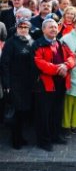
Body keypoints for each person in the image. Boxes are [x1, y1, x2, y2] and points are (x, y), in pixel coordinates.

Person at [33, 19, 76, 151]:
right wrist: (59, 68)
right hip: (45, 85)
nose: (53, 29)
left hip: (61, 84)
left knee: (57, 112)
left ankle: (55, 135)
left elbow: (72, 57)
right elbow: (39, 62)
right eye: (50, 27)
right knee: (44, 115)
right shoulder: (38, 44)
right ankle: (44, 141)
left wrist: (66, 65)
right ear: (44, 30)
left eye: (55, 27)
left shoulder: (60, 42)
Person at [1, 18, 34, 149]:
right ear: (16, 28)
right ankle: (15, 140)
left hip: (27, 83)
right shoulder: (10, 42)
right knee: (16, 113)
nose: (23, 29)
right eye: (20, 27)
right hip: (15, 84)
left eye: (25, 27)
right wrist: (7, 85)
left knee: (23, 113)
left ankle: (20, 137)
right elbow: (4, 65)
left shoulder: (32, 41)